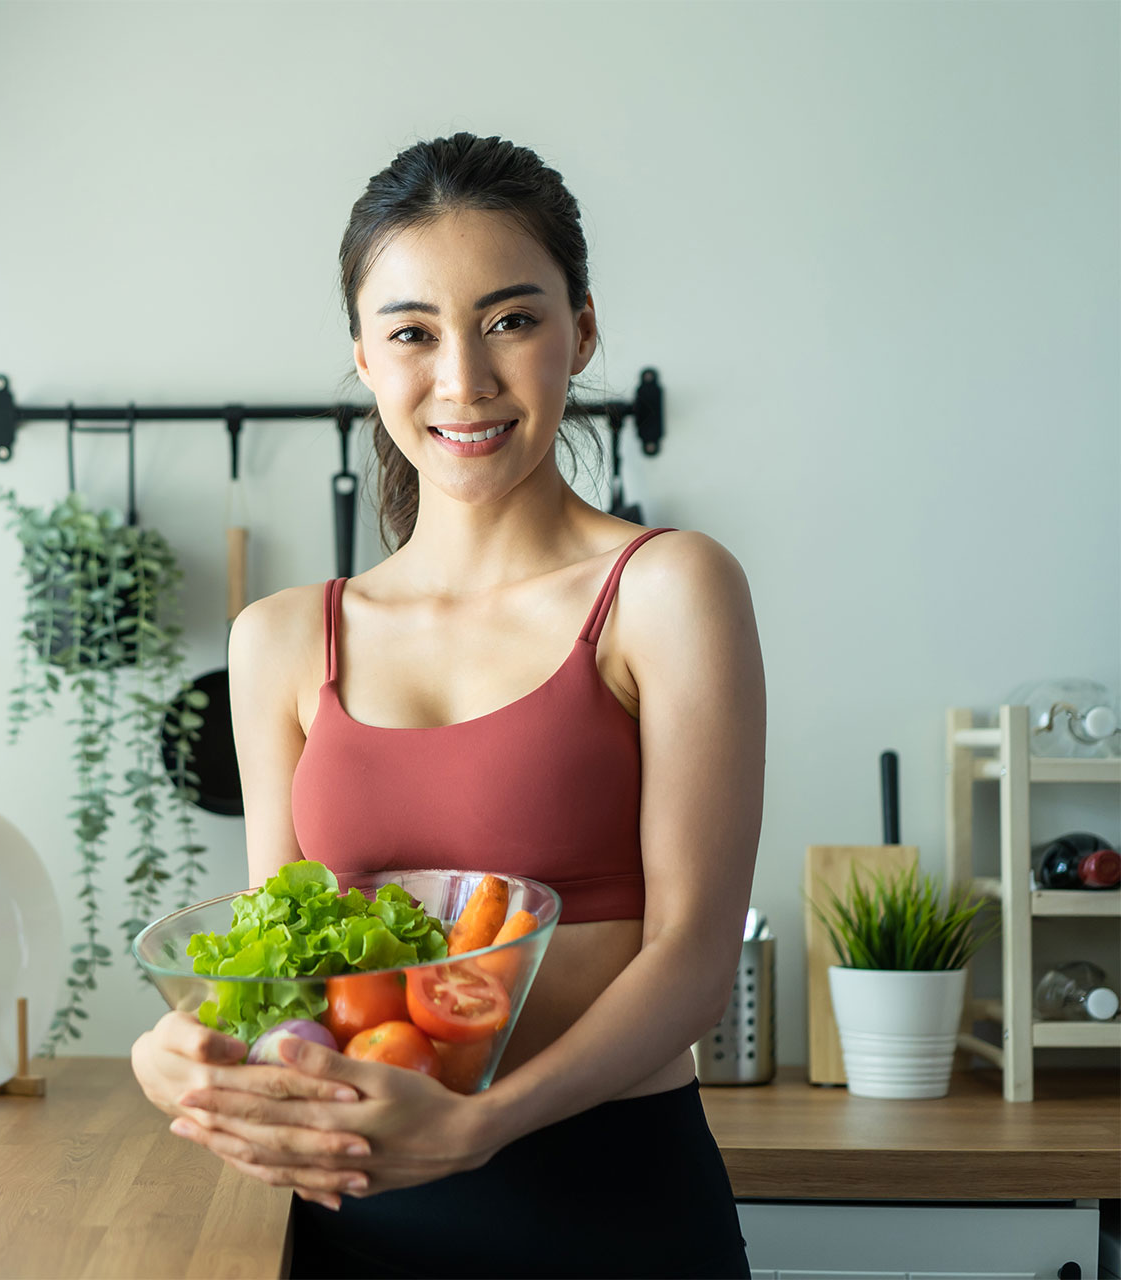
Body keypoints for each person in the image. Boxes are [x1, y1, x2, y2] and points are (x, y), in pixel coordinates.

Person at [130, 133, 765, 1279]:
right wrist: (180, 1053)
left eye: (512, 320)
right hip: (349, 1219)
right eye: (413, 331)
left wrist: (480, 1124)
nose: (463, 379)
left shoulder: (667, 590)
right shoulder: (280, 639)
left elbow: (693, 957)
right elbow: (292, 980)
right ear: (365, 359)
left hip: (609, 1208)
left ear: (583, 326)